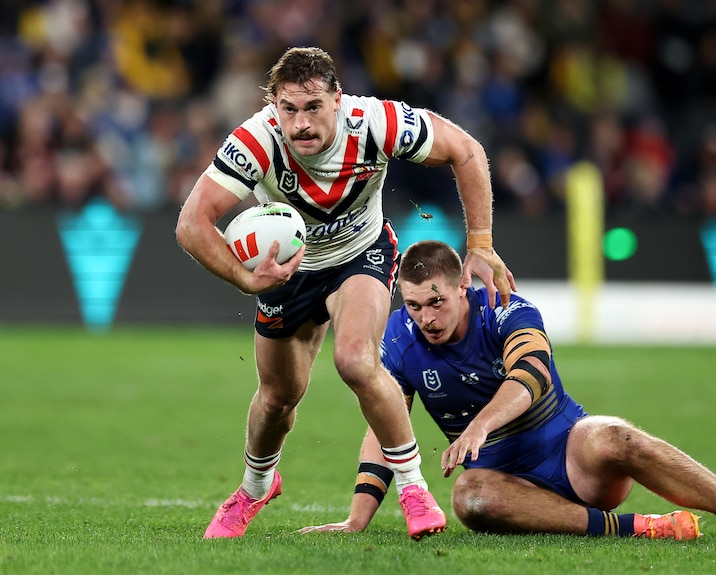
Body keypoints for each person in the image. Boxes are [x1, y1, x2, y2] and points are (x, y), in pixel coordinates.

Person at [175, 47, 516, 540]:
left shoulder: (376, 122)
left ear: (338, 99)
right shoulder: (257, 139)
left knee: (356, 360)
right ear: (274, 106)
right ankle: (255, 487)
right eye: (288, 109)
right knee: (277, 398)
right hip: (290, 273)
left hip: (361, 254)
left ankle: (414, 489)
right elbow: (191, 224)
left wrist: (481, 243)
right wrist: (247, 278)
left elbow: (465, 150)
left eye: (313, 107)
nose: (300, 123)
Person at [300, 240, 716, 543]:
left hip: (570, 456)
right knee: (470, 498)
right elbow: (384, 423)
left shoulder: (507, 306)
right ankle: (642, 528)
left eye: (436, 302)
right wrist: (357, 519)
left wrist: (480, 425)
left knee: (614, 437)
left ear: (464, 286)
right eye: (414, 306)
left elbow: (530, 375)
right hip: (503, 481)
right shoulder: (397, 336)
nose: (425, 318)